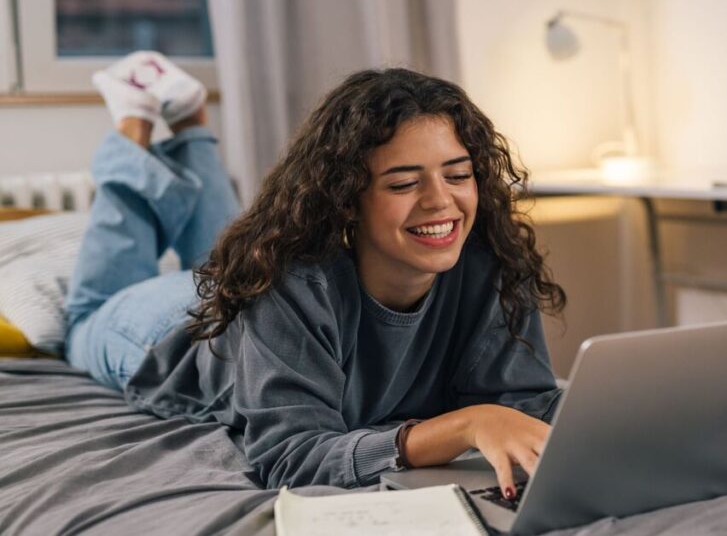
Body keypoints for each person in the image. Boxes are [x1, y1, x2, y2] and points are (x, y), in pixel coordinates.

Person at [64, 52, 566, 502]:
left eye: (458, 175)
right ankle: (134, 125)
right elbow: (293, 456)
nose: (441, 202)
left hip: (237, 288)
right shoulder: (291, 284)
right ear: (346, 198)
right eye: (404, 183)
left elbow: (521, 406)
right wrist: (466, 426)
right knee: (84, 317)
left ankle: (191, 121)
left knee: (226, 258)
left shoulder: (492, 259)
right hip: (174, 329)